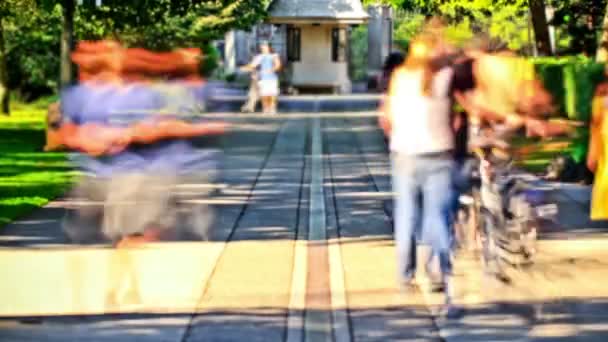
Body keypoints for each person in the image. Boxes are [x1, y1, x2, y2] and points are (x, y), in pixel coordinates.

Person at [59, 40, 227, 247]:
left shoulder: (145, 94)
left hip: (134, 179)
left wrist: (128, 134)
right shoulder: (76, 95)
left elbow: (163, 126)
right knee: (84, 246)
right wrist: (85, 138)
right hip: (90, 180)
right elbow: (63, 134)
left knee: (135, 240)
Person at [380, 33, 458, 313]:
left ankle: (405, 274)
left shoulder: (400, 78)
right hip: (438, 153)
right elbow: (455, 115)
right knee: (437, 216)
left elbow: (386, 116)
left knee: (406, 214)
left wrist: (395, 138)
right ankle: (438, 270)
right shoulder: (445, 76)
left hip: (405, 154)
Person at [241, 41, 281, 114]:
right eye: (262, 46)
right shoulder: (259, 56)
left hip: (272, 78)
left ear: (269, 47)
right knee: (264, 94)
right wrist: (245, 68)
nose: (263, 47)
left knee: (272, 94)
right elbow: (252, 65)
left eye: (265, 46)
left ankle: (272, 108)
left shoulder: (274, 55)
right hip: (262, 78)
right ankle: (265, 109)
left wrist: (272, 70)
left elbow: (278, 65)